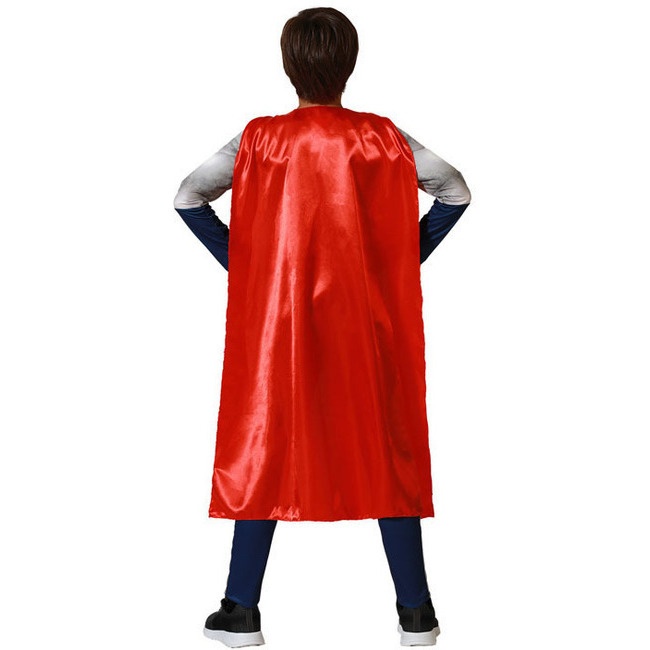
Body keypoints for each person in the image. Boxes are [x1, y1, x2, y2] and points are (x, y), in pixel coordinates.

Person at [173, 7, 471, 648]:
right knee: (385, 441)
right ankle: (417, 614)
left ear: (289, 65)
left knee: (265, 439)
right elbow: (455, 190)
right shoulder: (384, 135)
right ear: (349, 63)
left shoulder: (257, 138)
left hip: (278, 325)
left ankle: (241, 611)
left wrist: (251, 269)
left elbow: (187, 196)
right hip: (367, 323)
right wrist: (390, 265)